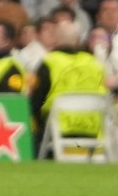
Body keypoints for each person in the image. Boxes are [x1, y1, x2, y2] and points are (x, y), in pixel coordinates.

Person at [29, 21, 107, 157]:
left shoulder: (49, 62)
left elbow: (35, 101)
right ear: (77, 41)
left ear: (56, 39)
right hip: (92, 130)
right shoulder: (94, 63)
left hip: (56, 130)